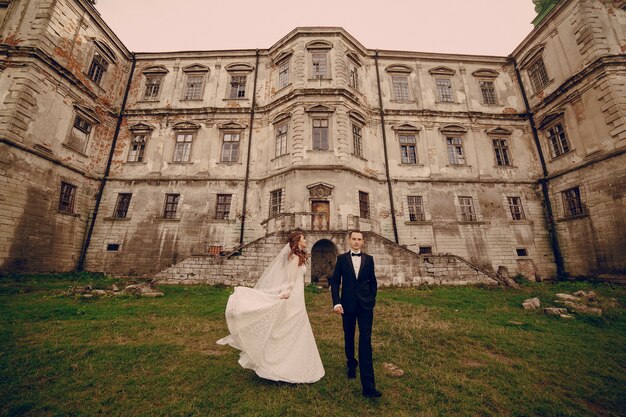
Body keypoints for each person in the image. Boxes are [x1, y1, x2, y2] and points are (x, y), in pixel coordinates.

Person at [217, 232, 325, 383]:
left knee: (294, 326)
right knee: (292, 325)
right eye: (303, 238)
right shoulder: (294, 258)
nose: (306, 240)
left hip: (298, 295)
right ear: (298, 242)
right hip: (294, 296)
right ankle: (282, 364)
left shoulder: (297, 256)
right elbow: (290, 279)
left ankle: (294, 362)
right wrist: (286, 293)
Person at [329, 230, 382, 398]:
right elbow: (336, 281)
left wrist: (372, 299)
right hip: (348, 305)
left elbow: (373, 281)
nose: (357, 242)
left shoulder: (369, 259)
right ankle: (351, 364)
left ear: (363, 241)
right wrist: (337, 302)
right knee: (349, 336)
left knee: (365, 341)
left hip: (366, 306)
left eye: (359, 239)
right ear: (349, 240)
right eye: (354, 239)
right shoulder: (342, 259)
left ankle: (368, 387)